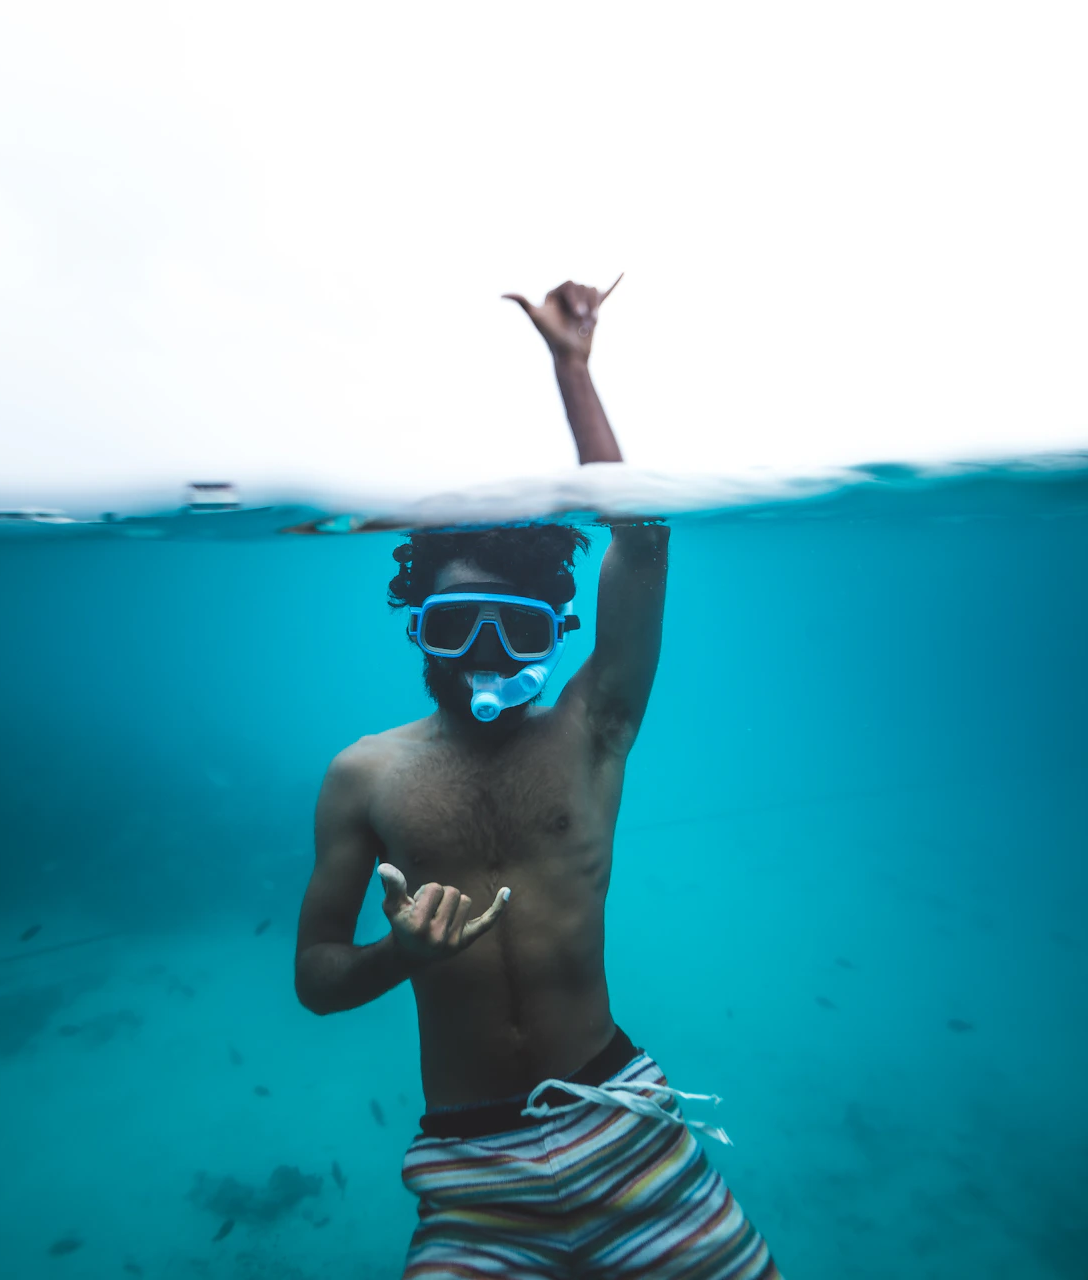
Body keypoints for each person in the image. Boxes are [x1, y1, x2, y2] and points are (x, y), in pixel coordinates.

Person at [295, 280, 782, 1279]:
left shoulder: (594, 729)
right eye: (454, 625)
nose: (483, 651)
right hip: (472, 1177)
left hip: (624, 1128)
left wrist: (573, 369)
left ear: (556, 632)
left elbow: (642, 538)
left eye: (512, 627)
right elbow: (317, 978)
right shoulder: (364, 775)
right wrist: (399, 955)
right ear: (418, 629)